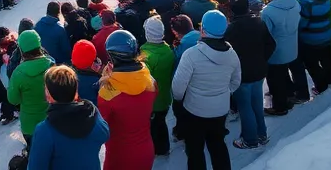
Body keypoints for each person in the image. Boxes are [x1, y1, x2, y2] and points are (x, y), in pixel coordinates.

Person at [171, 10, 241, 170]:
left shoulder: (191, 55)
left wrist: (182, 100)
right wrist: (221, 93)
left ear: (203, 30)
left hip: (194, 111)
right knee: (218, 146)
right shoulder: (232, 54)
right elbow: (236, 82)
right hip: (220, 111)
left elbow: (177, 88)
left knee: (195, 150)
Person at [28, 66, 110, 170]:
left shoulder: (44, 130)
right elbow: (105, 134)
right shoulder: (91, 114)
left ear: (49, 96)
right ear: (76, 91)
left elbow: (36, 167)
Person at [96, 29, 155, 170]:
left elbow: (101, 131)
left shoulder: (107, 94)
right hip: (146, 152)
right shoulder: (150, 81)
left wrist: (106, 79)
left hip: (119, 157)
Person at [224, 0, 275, 149]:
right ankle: (262, 133)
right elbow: (271, 45)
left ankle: (250, 139)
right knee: (256, 104)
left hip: (242, 75)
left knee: (245, 107)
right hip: (258, 72)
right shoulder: (258, 22)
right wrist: (261, 59)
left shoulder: (231, 29)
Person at [8, 29, 55, 145]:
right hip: (52, 119)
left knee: (35, 155)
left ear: (22, 50)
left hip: (30, 125)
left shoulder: (18, 73)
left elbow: (13, 100)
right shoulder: (52, 65)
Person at [260, 0, 299, 115]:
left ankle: (280, 106)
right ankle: (290, 91)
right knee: (284, 72)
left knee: (274, 78)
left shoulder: (267, 12)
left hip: (276, 53)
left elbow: (266, 34)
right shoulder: (295, 3)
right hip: (292, 48)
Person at [140, 17, 175, 157]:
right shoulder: (168, 50)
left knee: (155, 126)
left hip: (153, 101)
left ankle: (159, 149)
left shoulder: (147, 55)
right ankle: (163, 147)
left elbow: (144, 80)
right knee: (161, 122)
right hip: (165, 97)